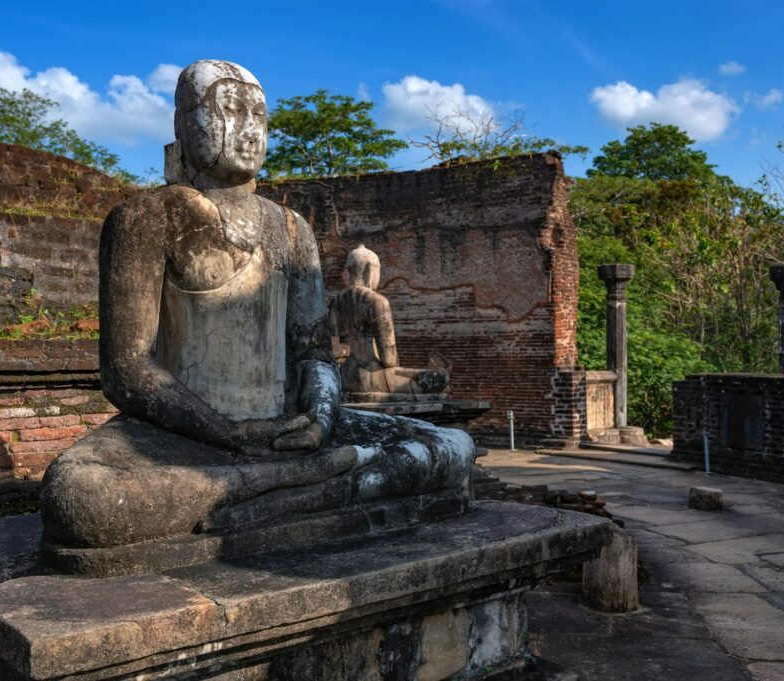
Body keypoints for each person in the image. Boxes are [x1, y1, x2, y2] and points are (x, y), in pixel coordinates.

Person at [40, 61, 475, 553]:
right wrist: (227, 432)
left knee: (453, 448)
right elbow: (127, 370)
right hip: (184, 433)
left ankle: (264, 492)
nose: (248, 130)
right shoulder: (145, 219)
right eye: (228, 110)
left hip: (287, 429)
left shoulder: (290, 229)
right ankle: (301, 486)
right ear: (184, 124)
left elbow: (314, 353)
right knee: (83, 499)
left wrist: (321, 417)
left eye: (259, 115)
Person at [331, 244, 449, 397]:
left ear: (349, 270)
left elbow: (336, 351)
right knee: (439, 378)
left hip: (343, 377)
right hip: (370, 376)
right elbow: (389, 359)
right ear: (370, 271)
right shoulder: (376, 301)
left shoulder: (335, 302)